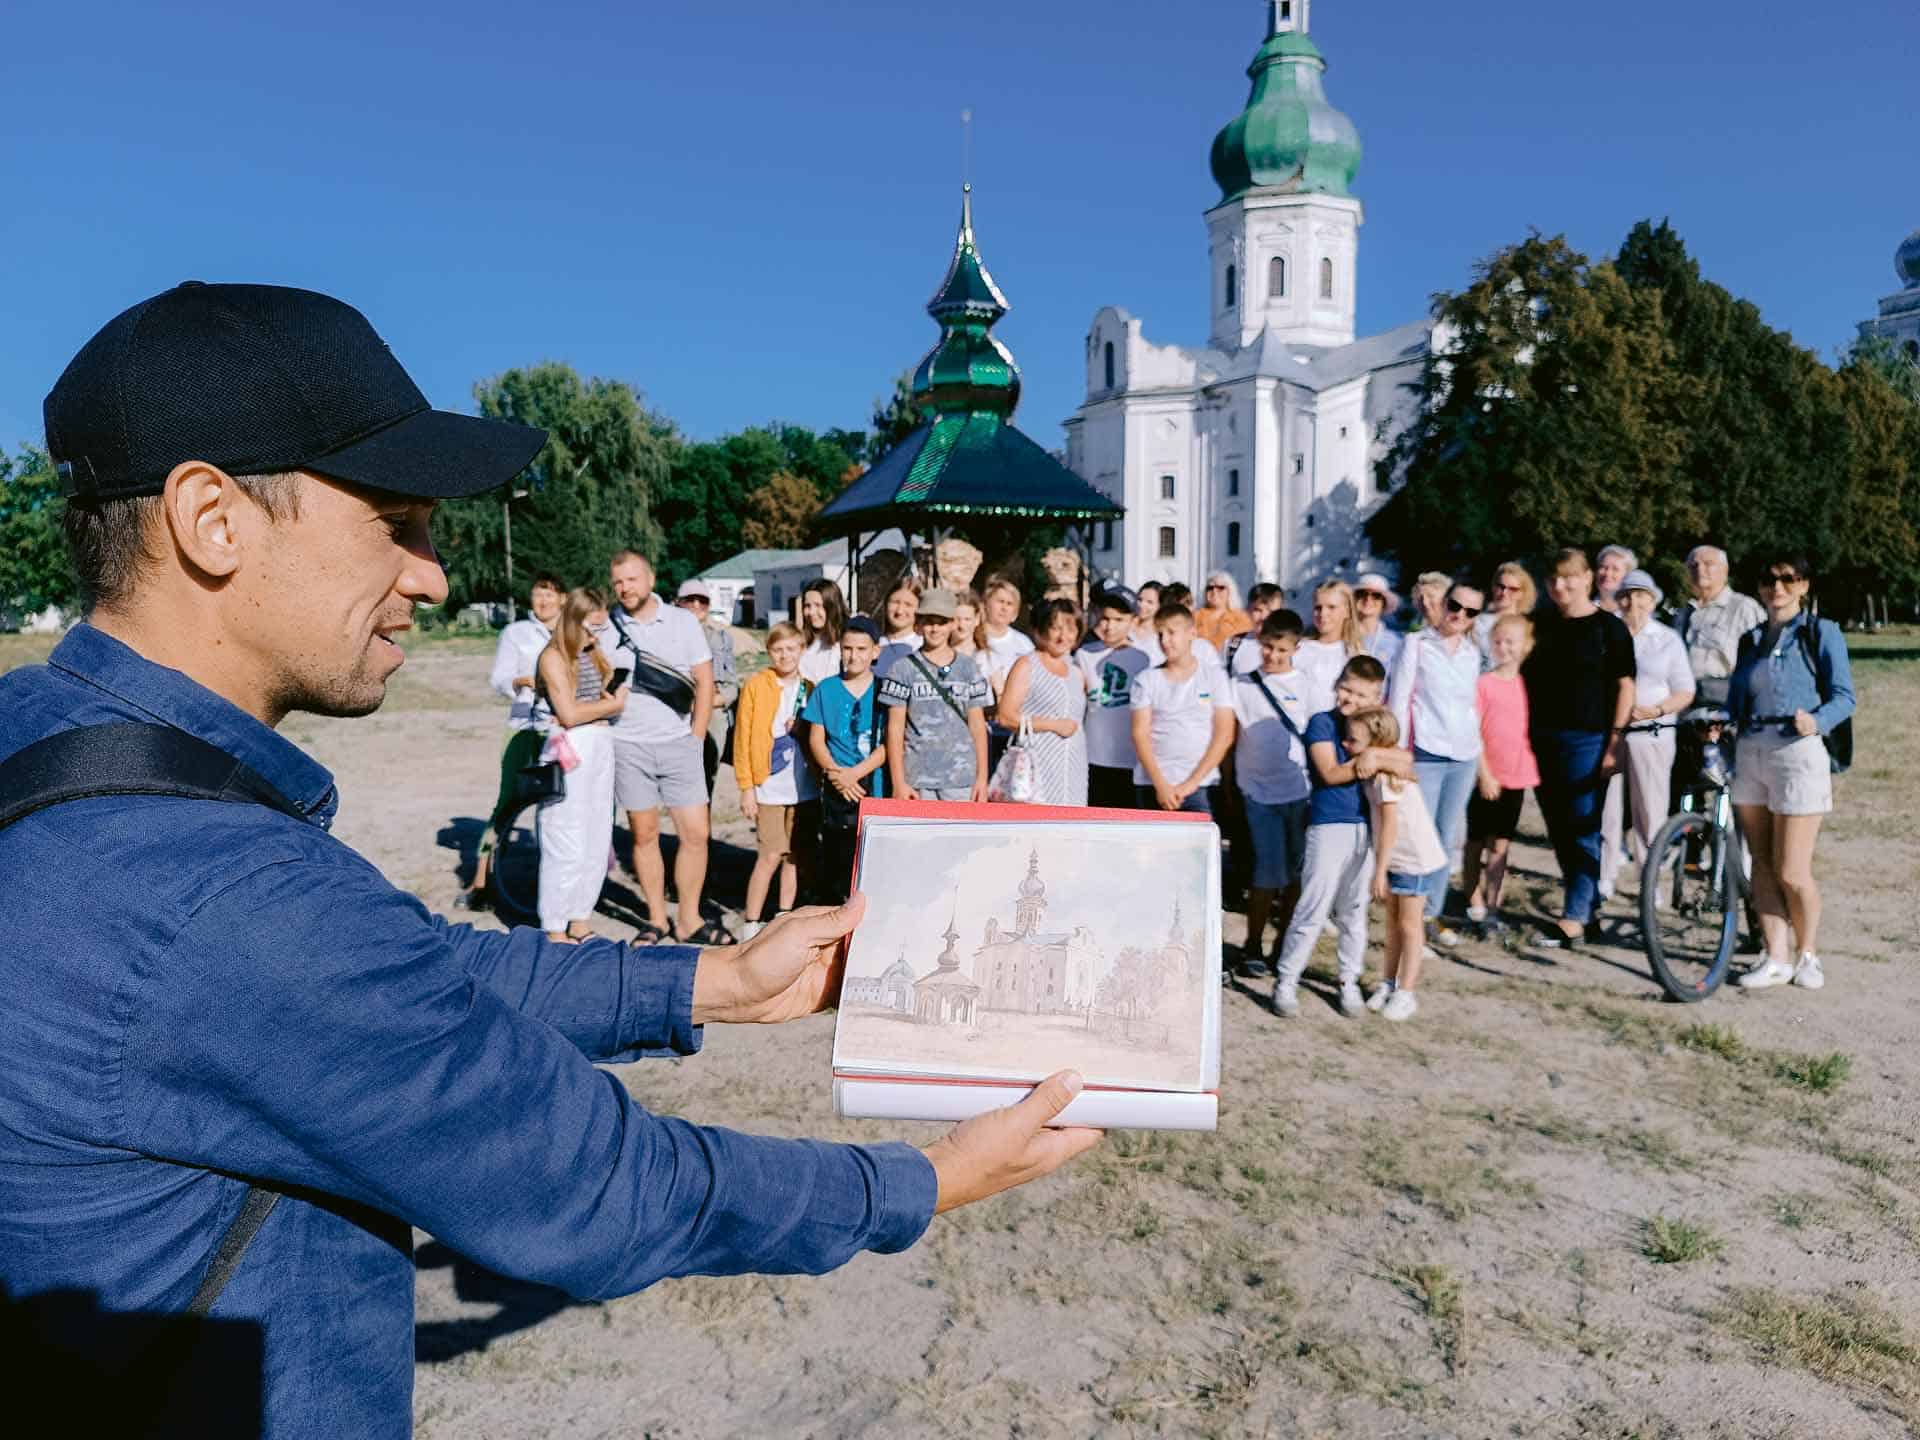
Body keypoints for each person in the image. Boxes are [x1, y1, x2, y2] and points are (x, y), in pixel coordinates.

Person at [2, 280, 1098, 1437]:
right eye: (396, 519)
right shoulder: (216, 891)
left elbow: (404, 975)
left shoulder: (51, 743)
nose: (430, 572)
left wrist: (710, 982)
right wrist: (922, 1183)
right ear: (211, 519)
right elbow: (594, 1187)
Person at [1728, 552, 1854, 992]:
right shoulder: (1751, 638)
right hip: (1751, 751)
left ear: (1803, 586)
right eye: (1768, 579)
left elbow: (1845, 697)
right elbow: (1738, 697)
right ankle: (1775, 956)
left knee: (1792, 869)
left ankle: (1808, 954)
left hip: (1798, 752)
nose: (1776, 588)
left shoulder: (1822, 633)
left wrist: (1816, 720)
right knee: (1760, 863)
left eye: (1787, 579)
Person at [1270, 656, 1413, 1018]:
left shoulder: (1377, 729)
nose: (1350, 698)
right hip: (1329, 823)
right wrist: (1368, 761)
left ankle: (1348, 980)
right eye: (1346, 688)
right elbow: (1330, 772)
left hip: (1367, 828)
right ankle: (1286, 979)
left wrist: (1377, 753)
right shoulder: (1323, 722)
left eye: (1362, 694)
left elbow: (1407, 765)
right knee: (1313, 907)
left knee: (1354, 910)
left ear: (1377, 697)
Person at [603, 551, 726, 945]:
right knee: (644, 835)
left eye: (632, 579)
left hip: (679, 743)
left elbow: (705, 682)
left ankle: (688, 919)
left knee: (695, 834)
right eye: (619, 581)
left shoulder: (682, 622)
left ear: (651, 579)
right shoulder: (605, 626)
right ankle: (656, 919)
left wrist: (696, 736)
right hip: (628, 745)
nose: (625, 588)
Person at [1522, 549, 1635, 947]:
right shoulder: (1538, 625)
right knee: (1558, 828)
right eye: (1554, 579)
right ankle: (1587, 910)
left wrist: (1616, 741)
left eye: (1569, 578)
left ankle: (1573, 917)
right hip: (1541, 739)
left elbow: (1625, 685)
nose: (1560, 586)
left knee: (1583, 826)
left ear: (1588, 578)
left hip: (1589, 739)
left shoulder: (1609, 629)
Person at [1388, 578, 1485, 945]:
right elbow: (1399, 699)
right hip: (1425, 752)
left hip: (1463, 755)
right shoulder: (1416, 644)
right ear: (1444, 603)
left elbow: (1472, 705)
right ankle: (1407, 917)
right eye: (1455, 606)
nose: (1459, 615)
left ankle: (1431, 914)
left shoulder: (1473, 653)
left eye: (1470, 612)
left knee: (1446, 839)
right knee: (1418, 838)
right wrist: (1399, 753)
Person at [459, 572, 563, 909]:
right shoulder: (517, 633)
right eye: (538, 594)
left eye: (550, 594)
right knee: (509, 802)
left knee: (564, 805)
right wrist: (520, 682)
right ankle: (480, 882)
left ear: (562, 598)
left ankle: (562, 884)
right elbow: (499, 678)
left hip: (563, 729)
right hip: (524, 726)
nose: (544, 600)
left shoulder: (574, 631)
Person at [534, 587, 628, 941]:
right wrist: (612, 707)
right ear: (573, 620)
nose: (596, 634)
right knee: (565, 836)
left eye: (602, 628)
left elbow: (593, 699)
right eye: (592, 626)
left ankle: (581, 918)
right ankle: (555, 926)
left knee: (596, 834)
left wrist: (605, 703)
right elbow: (570, 714)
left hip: (600, 746)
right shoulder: (553, 656)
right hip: (570, 749)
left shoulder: (591, 651)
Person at [1598, 570, 1696, 904]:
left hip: (1652, 732)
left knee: (1649, 812)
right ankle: (1604, 875)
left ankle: (1649, 880)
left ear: (1653, 600)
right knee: (1606, 811)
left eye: (1641, 595)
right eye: (1626, 595)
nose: (1633, 602)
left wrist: (1656, 710)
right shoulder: (1606, 632)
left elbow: (1685, 690)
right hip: (1609, 734)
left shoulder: (1666, 639)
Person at [1227, 610, 1313, 969]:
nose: (1272, 656)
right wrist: (1232, 786)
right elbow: (1230, 738)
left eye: (1281, 649)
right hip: (1256, 793)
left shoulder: (1308, 685)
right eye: (1267, 647)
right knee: (1264, 875)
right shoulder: (1241, 684)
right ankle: (1252, 944)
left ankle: (1282, 943)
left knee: (1294, 876)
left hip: (1298, 791)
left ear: (1296, 647)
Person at [1351, 707, 1447, 1022]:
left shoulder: (1385, 777)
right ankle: (1388, 983)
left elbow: (1390, 824)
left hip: (1412, 860)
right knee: (1393, 925)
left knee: (1409, 926)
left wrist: (1379, 870)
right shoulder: (1381, 769)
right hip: (1397, 859)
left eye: (1353, 740)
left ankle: (1406, 992)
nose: (1345, 744)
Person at [735, 622, 817, 937]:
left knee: (794, 855)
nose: (785, 656)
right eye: (778, 650)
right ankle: (752, 922)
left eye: (791, 649)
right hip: (768, 786)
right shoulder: (757, 685)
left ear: (801, 650)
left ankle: (783, 914)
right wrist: (746, 787)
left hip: (803, 786)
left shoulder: (810, 688)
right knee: (769, 855)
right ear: (769, 652)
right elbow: (742, 738)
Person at [1461, 614, 1540, 927]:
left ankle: (1493, 905)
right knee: (1475, 842)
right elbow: (1474, 732)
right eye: (1498, 641)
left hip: (1515, 777)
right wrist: (1484, 774)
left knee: (1500, 845)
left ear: (1525, 646)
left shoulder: (1529, 686)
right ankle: (1472, 897)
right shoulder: (1483, 684)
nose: (1504, 648)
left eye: (1511, 642)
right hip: (1485, 777)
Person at [803, 616, 888, 904]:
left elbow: (890, 743)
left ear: (875, 651)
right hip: (837, 783)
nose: (854, 655)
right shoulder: (827, 689)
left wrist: (857, 773)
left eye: (862, 649)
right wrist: (836, 773)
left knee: (871, 856)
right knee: (837, 857)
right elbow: (816, 738)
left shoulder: (884, 691)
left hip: (870, 782)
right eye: (848, 648)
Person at [881, 587, 991, 802]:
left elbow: (978, 725)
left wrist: (982, 779)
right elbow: (894, 728)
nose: (935, 628)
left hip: (962, 778)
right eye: (929, 621)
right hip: (917, 779)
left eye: (941, 622)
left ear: (952, 624)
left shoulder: (969, 668)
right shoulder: (902, 668)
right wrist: (899, 782)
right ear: (919, 625)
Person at [1129, 603, 1235, 814]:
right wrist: (1161, 786)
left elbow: (1224, 734)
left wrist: (1191, 784)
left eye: (1171, 633)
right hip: (1153, 786)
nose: (1165, 641)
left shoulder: (1213, 676)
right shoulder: (1146, 680)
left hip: (1201, 787)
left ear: (1192, 633)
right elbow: (1140, 734)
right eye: (1160, 634)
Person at [997, 597, 1090, 806]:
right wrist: (1053, 725)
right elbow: (1005, 717)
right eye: (1056, 628)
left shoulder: (1077, 673)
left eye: (1070, 629)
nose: (1063, 636)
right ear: (1043, 629)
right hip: (1036, 767)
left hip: (1073, 768)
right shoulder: (1027, 665)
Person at [1075, 588, 1153, 809]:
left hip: (1131, 760)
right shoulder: (1084, 655)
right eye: (1106, 618)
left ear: (1132, 621)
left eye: (1119, 619)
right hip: (1093, 758)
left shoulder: (1144, 658)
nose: (1110, 626)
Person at [1673, 544, 1766, 708]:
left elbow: (1760, 662)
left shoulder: (1743, 607)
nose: (1700, 569)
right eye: (1694, 565)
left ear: (1725, 571)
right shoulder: (1682, 614)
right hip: (1684, 706)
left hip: (1723, 705)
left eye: (1708, 564)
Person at [677, 577, 739, 800]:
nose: (696, 605)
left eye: (701, 601)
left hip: (713, 714)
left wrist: (709, 702)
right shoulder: (668, 638)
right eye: (689, 600)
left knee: (706, 780)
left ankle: (703, 833)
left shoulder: (721, 638)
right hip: (679, 713)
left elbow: (732, 686)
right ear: (678, 603)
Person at [1295, 579, 1362, 718]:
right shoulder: (1298, 649)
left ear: (1347, 611)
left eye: (1331, 607)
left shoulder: (1355, 655)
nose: (1323, 614)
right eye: (1318, 607)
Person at [980, 576, 1036, 696]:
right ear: (986, 604)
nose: (1004, 608)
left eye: (1009, 604)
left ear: (1015, 613)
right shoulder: (973, 638)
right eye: (1000, 601)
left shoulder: (1024, 643)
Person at [1475, 562, 1537, 662]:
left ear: (1522, 593)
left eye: (1512, 589)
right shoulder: (1478, 622)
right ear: (1493, 587)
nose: (1504, 593)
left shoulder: (1527, 626)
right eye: (1500, 586)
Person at [1226, 582, 1285, 676]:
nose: (1264, 617)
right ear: (1248, 610)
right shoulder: (1232, 645)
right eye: (1258, 610)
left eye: (1271, 611)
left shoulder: (1292, 649)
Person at [798, 577, 848, 686]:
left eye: (818, 605)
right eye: (807, 606)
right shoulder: (801, 643)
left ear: (832, 607)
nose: (811, 612)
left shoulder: (847, 642)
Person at [1352, 572, 1404, 669]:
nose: (1368, 599)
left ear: (1384, 604)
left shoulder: (1397, 641)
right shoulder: (1340, 635)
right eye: (1362, 594)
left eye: (1376, 595)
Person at [1194, 570, 1253, 650]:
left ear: (1230, 591)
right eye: (1210, 588)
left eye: (1220, 588)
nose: (1214, 591)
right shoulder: (1194, 617)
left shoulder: (1242, 618)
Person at [879, 575, 921, 651]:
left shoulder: (923, 647)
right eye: (895, 602)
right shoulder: (873, 645)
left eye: (908, 604)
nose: (899, 611)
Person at [1594, 544, 1637, 614]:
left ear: (1627, 575)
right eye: (1603, 567)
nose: (1607, 573)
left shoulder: (1632, 615)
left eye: (1615, 569)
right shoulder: (1582, 608)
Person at [1134, 581, 1165, 663]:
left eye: (1149, 602)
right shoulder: (1127, 627)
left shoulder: (1162, 635)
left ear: (1160, 606)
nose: (1141, 605)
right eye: (1140, 599)